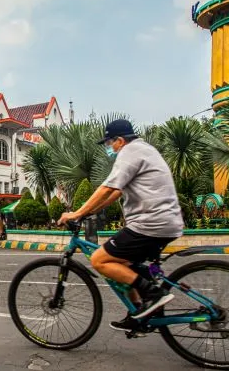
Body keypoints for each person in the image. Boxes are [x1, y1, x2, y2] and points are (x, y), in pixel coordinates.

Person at [59, 119, 184, 331]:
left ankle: (153, 294)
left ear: (119, 140)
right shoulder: (145, 149)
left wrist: (77, 213)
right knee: (121, 265)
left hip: (150, 224)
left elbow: (108, 188)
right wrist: (89, 212)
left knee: (99, 260)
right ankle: (137, 312)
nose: (109, 148)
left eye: (109, 143)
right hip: (165, 222)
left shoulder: (130, 152)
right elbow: (116, 192)